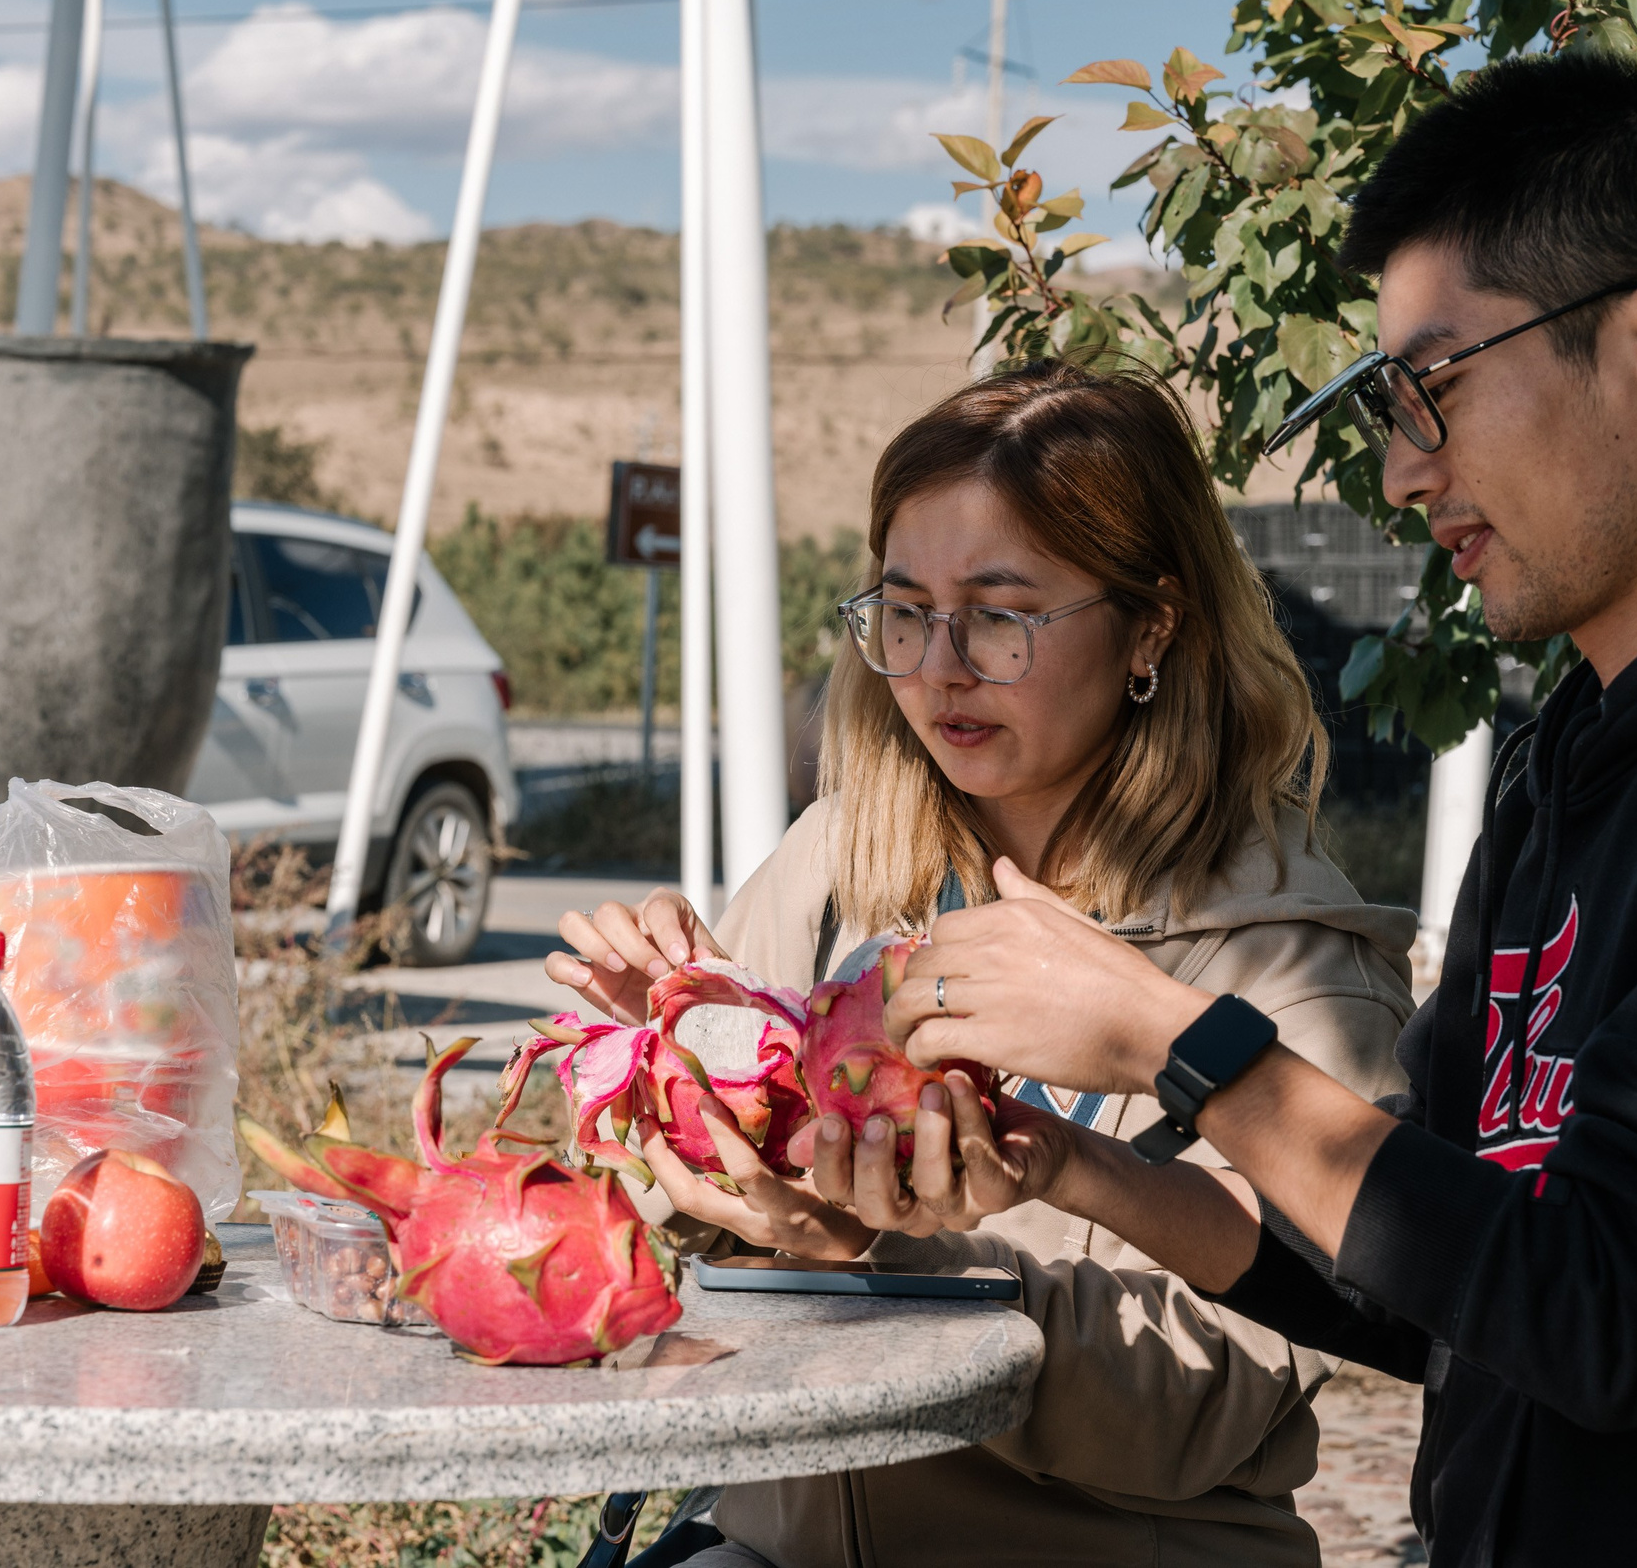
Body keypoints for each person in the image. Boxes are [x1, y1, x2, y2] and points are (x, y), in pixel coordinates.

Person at [865, 55, 1637, 1566]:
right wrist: (1076, 1162)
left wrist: (1174, 1038)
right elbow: (1439, 1265)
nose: (1403, 468)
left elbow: (1619, 1313)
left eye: (1431, 385)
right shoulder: (1571, 760)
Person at [545, 360, 1419, 1568]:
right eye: (904, 611)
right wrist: (664, 1070)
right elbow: (655, 1232)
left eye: (1001, 615)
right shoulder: (841, 862)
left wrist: (875, 1259)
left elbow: (1198, 1405)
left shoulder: (1292, 966)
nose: (939, 666)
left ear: (1151, 625)